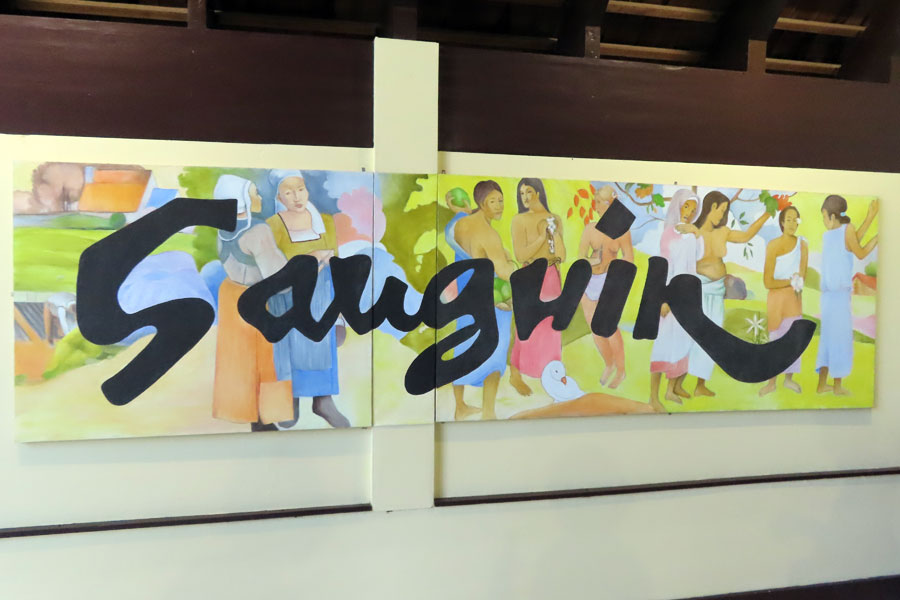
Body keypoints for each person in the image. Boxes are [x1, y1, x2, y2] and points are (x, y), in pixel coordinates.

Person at [265, 169, 350, 428]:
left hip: (322, 295)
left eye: (300, 189)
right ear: (279, 197)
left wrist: (340, 308)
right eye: (288, 192)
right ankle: (291, 402)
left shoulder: (325, 221)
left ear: (307, 190)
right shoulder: (273, 225)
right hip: (288, 298)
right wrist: (308, 261)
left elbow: (336, 262)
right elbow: (271, 265)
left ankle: (323, 401)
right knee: (290, 352)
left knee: (322, 349)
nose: (296, 197)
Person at [211, 174, 293, 431]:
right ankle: (269, 417)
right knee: (268, 362)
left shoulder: (223, 230)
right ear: (241, 200)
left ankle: (252, 417)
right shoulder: (258, 230)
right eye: (254, 193)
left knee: (240, 364)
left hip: (233, 300)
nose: (259, 197)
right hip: (258, 303)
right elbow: (280, 279)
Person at [685, 190, 771, 397]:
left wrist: (767, 214)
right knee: (694, 336)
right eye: (722, 210)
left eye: (726, 211)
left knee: (713, 337)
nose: (723, 215)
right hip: (699, 290)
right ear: (712, 206)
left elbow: (746, 236)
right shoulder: (693, 233)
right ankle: (679, 383)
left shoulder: (723, 232)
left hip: (717, 291)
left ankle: (700, 384)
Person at [447, 180, 517, 420]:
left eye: (501, 201)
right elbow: (504, 272)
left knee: (463, 346)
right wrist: (513, 262)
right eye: (492, 201)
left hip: (465, 295)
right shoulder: (489, 234)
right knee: (495, 352)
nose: (499, 206)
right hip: (489, 299)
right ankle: (488, 411)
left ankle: (460, 406)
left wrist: (461, 210)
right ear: (481, 203)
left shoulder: (460, 223)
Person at [815, 195, 878, 395]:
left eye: (824, 216)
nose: (824, 221)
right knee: (839, 340)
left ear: (832, 216)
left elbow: (852, 244)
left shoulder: (831, 235)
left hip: (828, 298)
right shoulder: (844, 231)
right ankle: (836, 387)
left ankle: (822, 384)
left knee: (828, 340)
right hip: (839, 298)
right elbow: (859, 251)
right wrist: (877, 238)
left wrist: (870, 218)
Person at [508, 178, 565, 396]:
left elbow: (561, 256)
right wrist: (542, 237)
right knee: (526, 326)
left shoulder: (554, 218)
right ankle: (516, 374)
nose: (525, 197)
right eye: (521, 193)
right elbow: (521, 254)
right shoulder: (519, 220)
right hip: (529, 275)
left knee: (551, 326)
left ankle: (549, 374)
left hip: (551, 277)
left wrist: (554, 234)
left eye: (529, 191)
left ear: (538, 192)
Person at [649, 189, 703, 408]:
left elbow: (698, 256)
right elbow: (665, 267)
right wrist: (664, 299)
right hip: (670, 295)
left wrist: (696, 232)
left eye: (693, 208)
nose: (689, 212)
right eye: (686, 206)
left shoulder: (691, 235)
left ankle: (671, 389)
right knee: (663, 345)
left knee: (682, 342)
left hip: (687, 296)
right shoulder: (669, 233)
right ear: (678, 206)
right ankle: (653, 397)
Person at [578, 185, 632, 389]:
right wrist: (593, 261)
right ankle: (609, 364)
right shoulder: (590, 228)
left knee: (609, 329)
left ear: (612, 204)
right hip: (590, 281)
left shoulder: (622, 231)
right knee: (595, 329)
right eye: (596, 201)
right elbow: (581, 258)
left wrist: (615, 274)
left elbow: (629, 258)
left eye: (601, 202)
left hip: (610, 282)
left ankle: (621, 370)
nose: (597, 205)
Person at [759, 206, 807, 396]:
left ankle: (789, 380)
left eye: (796, 220)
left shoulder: (803, 244)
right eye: (788, 219)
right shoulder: (773, 245)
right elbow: (768, 281)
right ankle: (771, 382)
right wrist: (790, 281)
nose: (792, 224)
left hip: (794, 300)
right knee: (776, 340)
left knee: (794, 341)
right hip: (777, 301)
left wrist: (796, 282)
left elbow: (802, 277)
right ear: (781, 222)